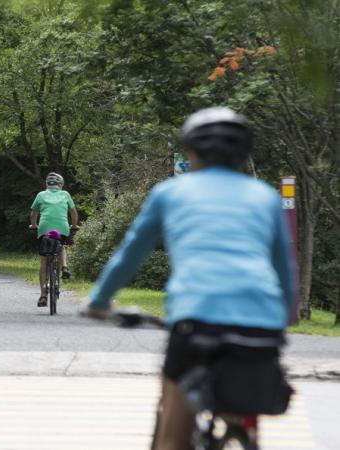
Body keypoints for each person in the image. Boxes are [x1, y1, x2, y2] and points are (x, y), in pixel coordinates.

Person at [82, 107, 296, 450]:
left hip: (196, 321)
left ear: (191, 151)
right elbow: (285, 271)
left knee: (173, 436)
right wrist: (284, 315)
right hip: (262, 325)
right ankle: (246, 434)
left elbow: (130, 254)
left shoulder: (170, 193)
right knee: (245, 401)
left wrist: (99, 301)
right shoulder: (265, 197)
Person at [29, 172, 79, 307]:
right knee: (61, 245)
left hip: (44, 228)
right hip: (62, 227)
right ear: (60, 184)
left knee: (44, 263)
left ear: (47, 184)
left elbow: (34, 213)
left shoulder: (41, 195)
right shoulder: (65, 194)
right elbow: (73, 212)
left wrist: (34, 226)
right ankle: (64, 267)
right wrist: (74, 226)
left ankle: (43, 295)